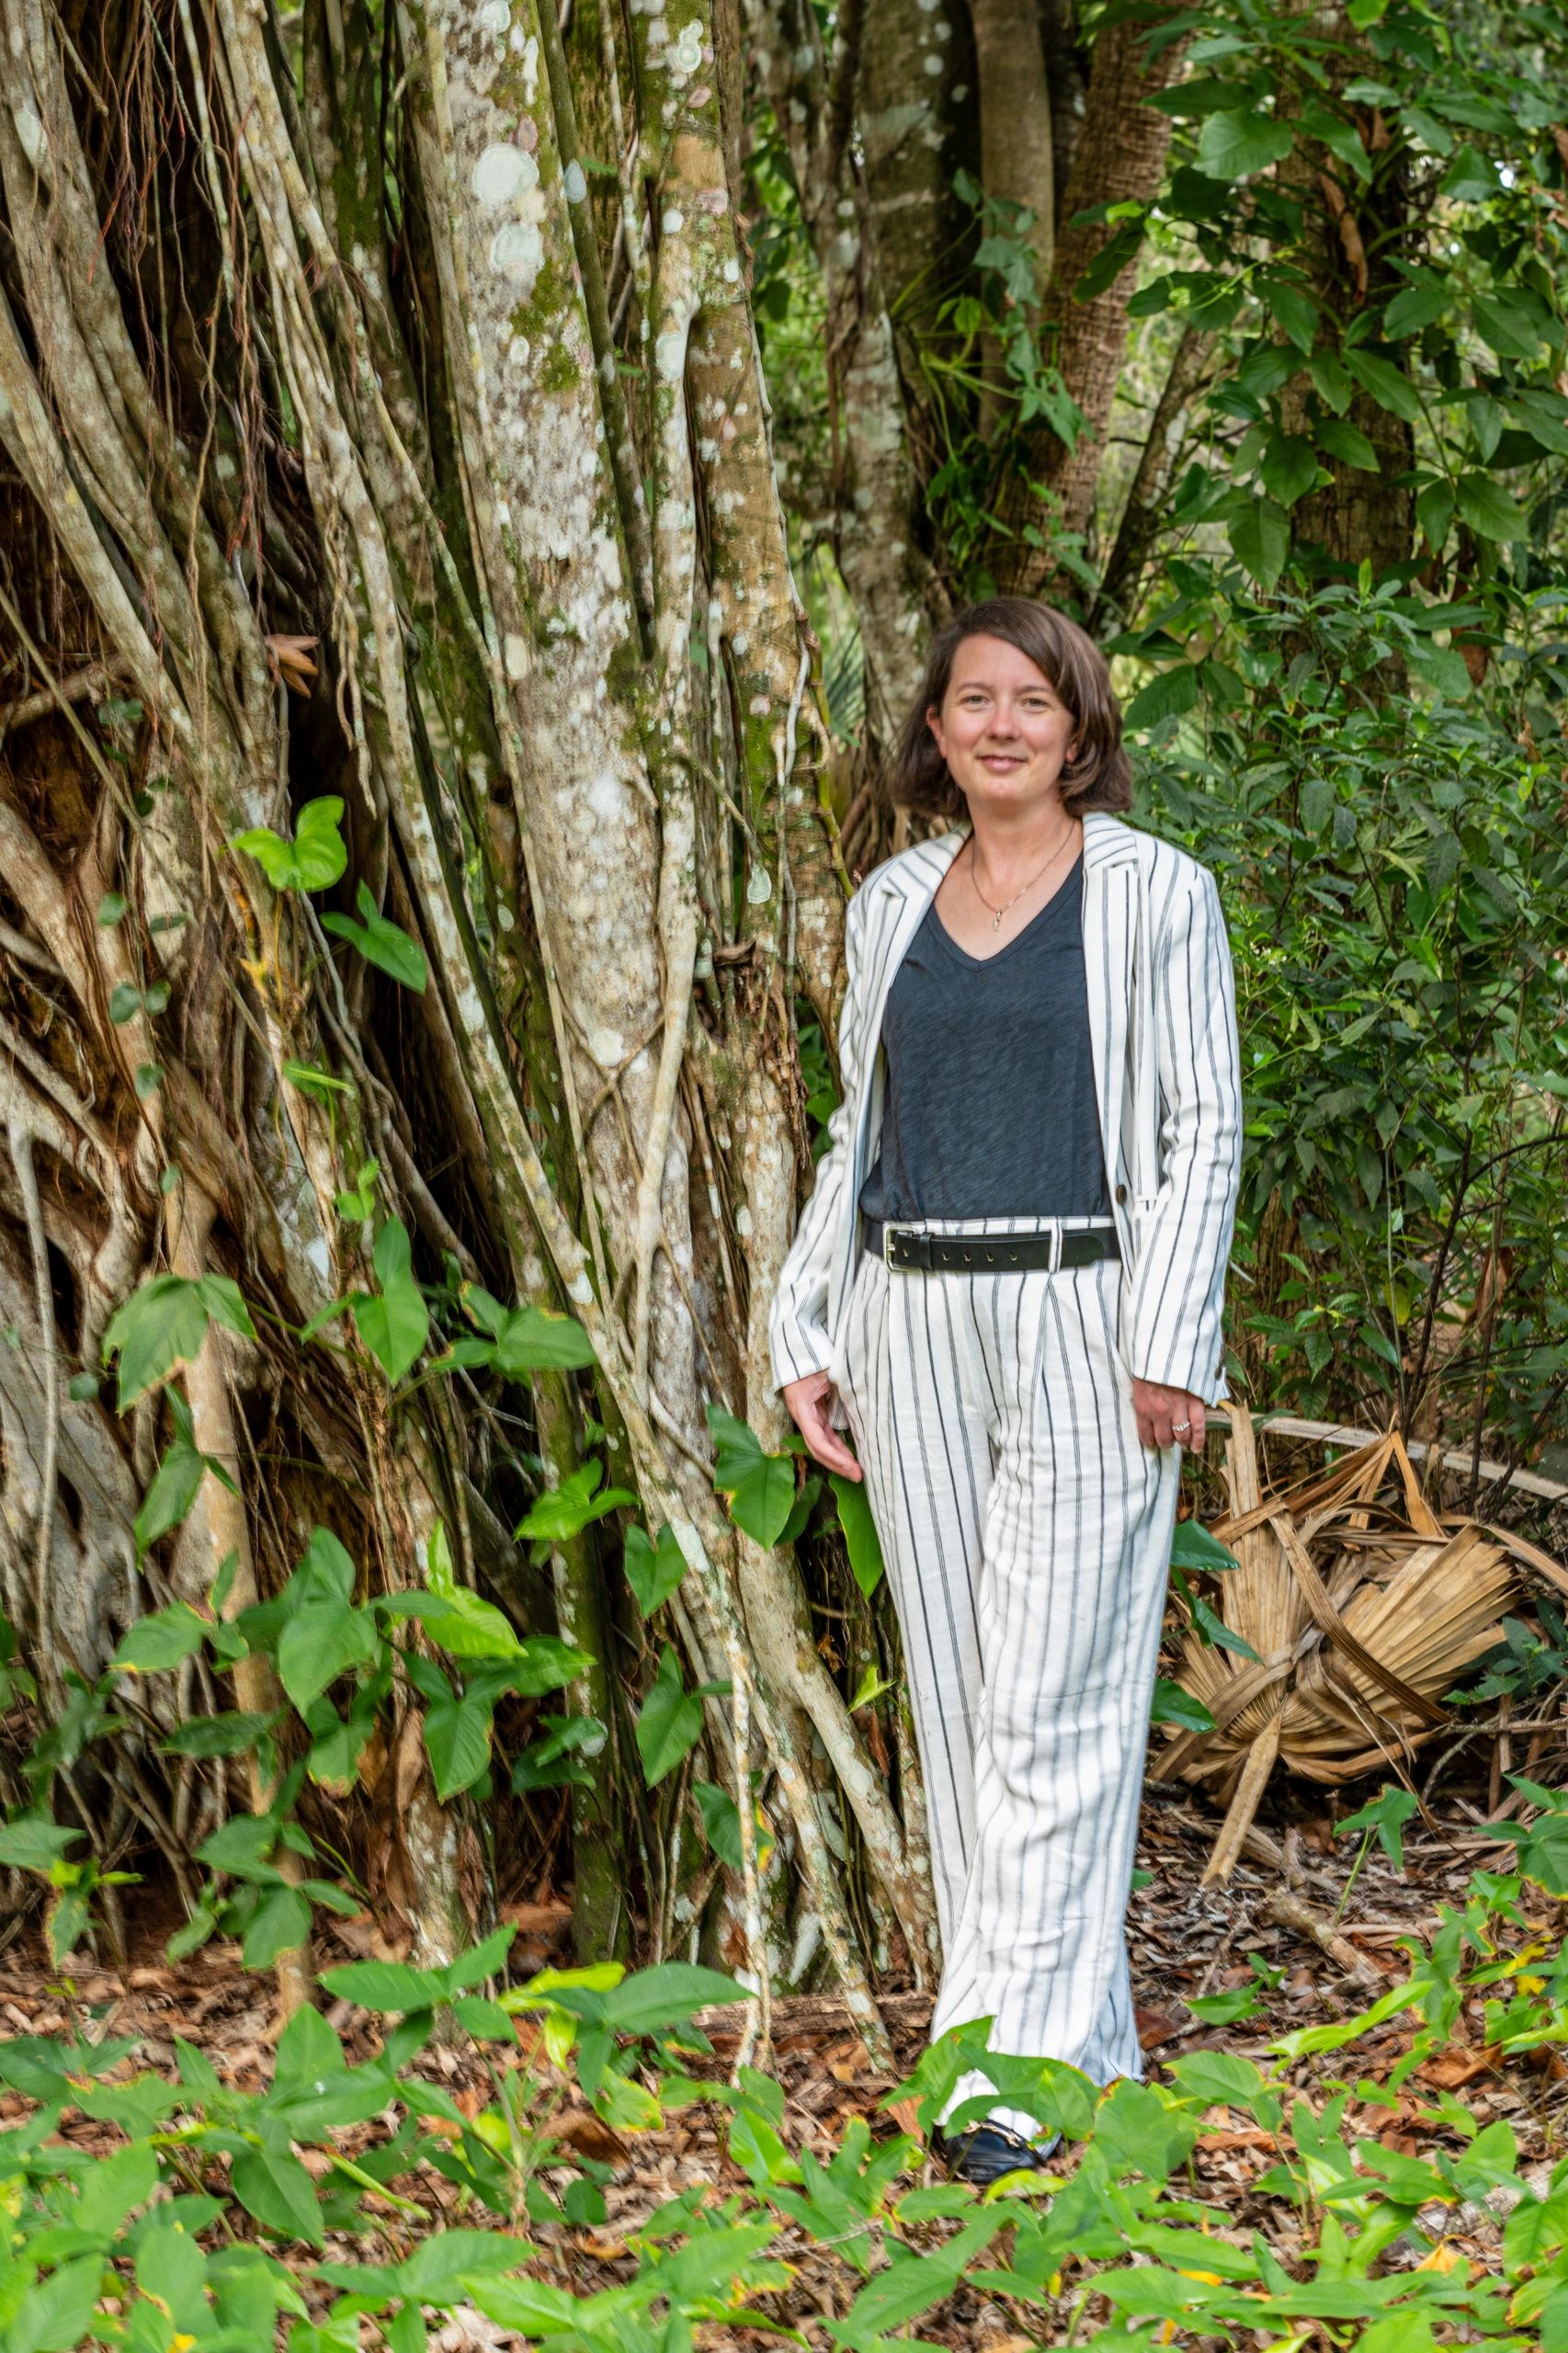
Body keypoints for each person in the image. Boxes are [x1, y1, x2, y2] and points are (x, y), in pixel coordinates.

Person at [768, 598, 1244, 2185]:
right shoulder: (889, 901)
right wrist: (806, 1320)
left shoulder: (1153, 895)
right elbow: (859, 1128)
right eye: (970, 701)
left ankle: (996, 2091)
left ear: (1077, 726)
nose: (996, 727)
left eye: (1029, 702)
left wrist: (1171, 1339)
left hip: (1080, 1315)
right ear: (934, 731)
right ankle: (1064, 2046)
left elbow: (1199, 1130)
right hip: (910, 1314)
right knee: (971, 1708)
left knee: (1055, 1698)